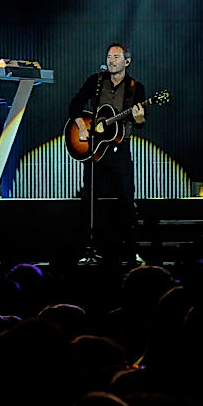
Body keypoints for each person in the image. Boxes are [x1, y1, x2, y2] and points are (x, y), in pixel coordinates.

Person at [68, 43, 146, 265]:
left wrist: (139, 118)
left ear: (126, 62)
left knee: (127, 199)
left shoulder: (135, 87)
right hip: (94, 149)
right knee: (89, 199)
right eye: (109, 57)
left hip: (119, 149)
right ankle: (88, 248)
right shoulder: (96, 81)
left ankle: (131, 251)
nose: (111, 60)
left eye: (116, 57)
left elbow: (140, 121)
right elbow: (75, 104)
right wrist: (82, 125)